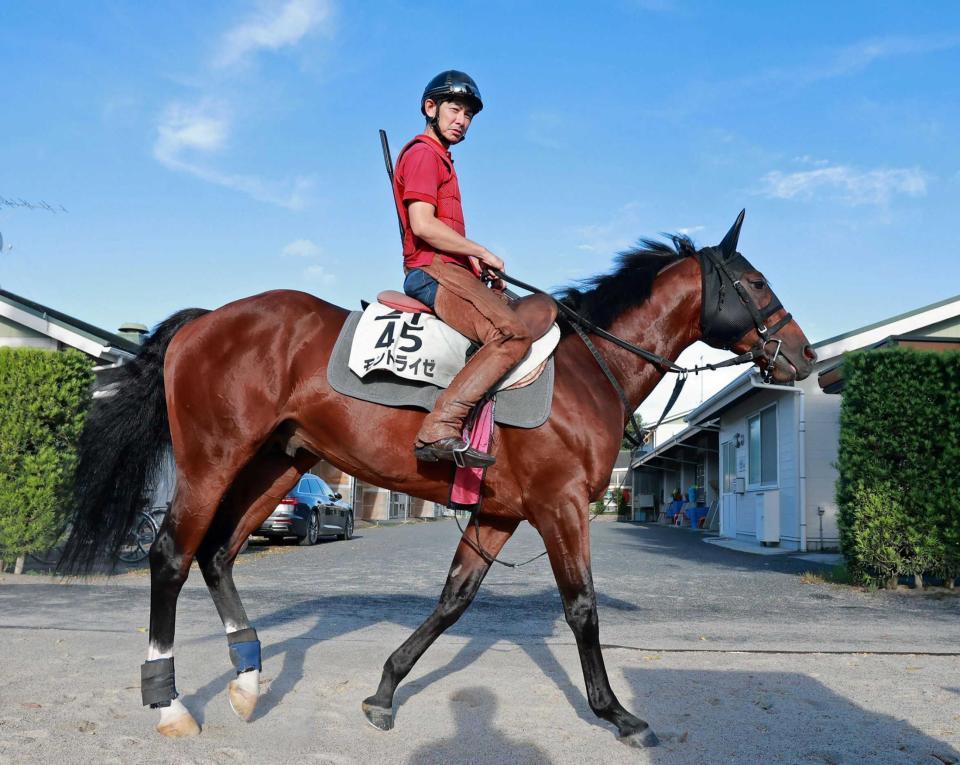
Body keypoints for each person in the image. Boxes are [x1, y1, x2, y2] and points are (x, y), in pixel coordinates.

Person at [393, 70, 532, 468]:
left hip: (450, 270)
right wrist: (480, 250)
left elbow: (445, 233)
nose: (462, 120)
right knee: (512, 333)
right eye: (454, 109)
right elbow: (423, 225)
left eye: (468, 115)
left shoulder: (443, 159)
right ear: (430, 108)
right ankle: (440, 426)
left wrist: (473, 262)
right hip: (431, 271)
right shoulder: (424, 154)